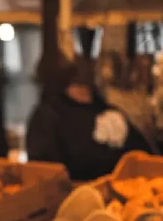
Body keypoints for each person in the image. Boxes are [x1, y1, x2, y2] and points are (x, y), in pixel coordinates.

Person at [27, 57, 155, 181]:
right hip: (69, 193)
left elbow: (142, 156)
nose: (83, 87)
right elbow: (45, 169)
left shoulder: (108, 112)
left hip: (121, 189)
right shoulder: (49, 115)